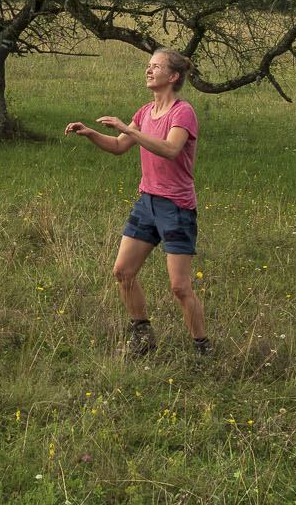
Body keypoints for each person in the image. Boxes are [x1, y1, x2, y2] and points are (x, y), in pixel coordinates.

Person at [66, 47, 208, 357]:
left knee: (180, 287)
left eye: (156, 66)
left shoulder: (182, 112)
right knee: (123, 272)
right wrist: (90, 133)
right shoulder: (145, 112)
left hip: (176, 207)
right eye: (148, 65)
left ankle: (203, 350)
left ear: (172, 76)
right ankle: (142, 338)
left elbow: (171, 149)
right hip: (148, 203)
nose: (149, 70)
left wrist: (127, 128)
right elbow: (119, 146)